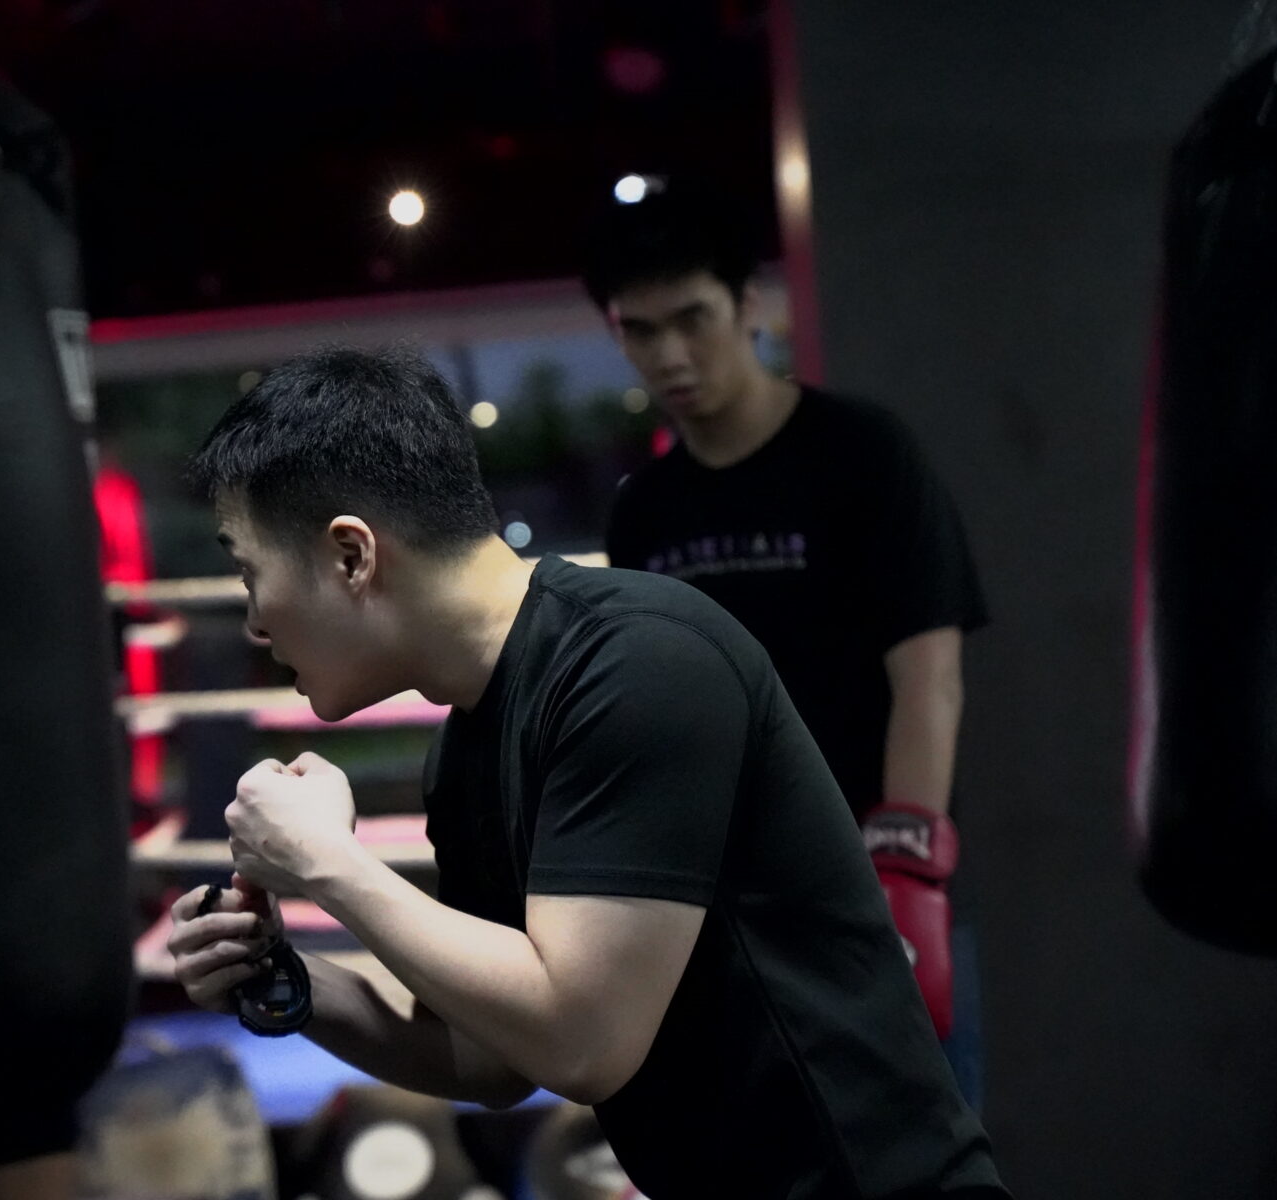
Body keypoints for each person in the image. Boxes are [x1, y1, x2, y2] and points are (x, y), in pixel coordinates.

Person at [166, 347, 1008, 1198]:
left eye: (249, 573)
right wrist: (285, 976)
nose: (254, 624)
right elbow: (493, 1052)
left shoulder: (636, 661)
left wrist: (325, 864)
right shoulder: (468, 747)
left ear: (351, 556)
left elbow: (584, 1042)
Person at [586, 183, 990, 1108]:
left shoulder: (862, 454)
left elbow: (928, 677)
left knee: (925, 1154)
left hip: (870, 890)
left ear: (748, 305)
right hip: (727, 908)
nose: (672, 354)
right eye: (641, 331)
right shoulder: (645, 514)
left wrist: (901, 878)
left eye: (693, 318)